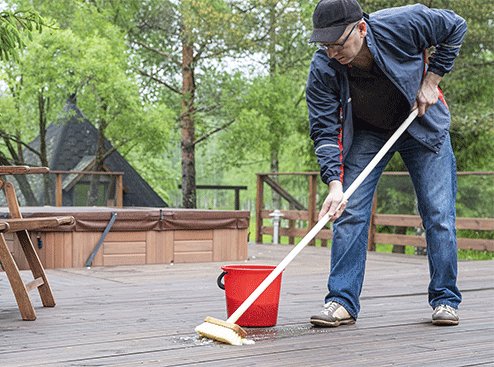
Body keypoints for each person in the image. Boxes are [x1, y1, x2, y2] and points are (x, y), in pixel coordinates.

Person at [305, 0, 467, 327]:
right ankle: (342, 300)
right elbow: (324, 129)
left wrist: (431, 79)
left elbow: (455, 26)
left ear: (361, 29)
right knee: (348, 209)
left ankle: (445, 299)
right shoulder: (323, 66)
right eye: (325, 45)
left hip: (420, 123)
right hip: (369, 132)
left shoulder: (403, 23)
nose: (332, 52)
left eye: (338, 44)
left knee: (438, 212)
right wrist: (335, 185)